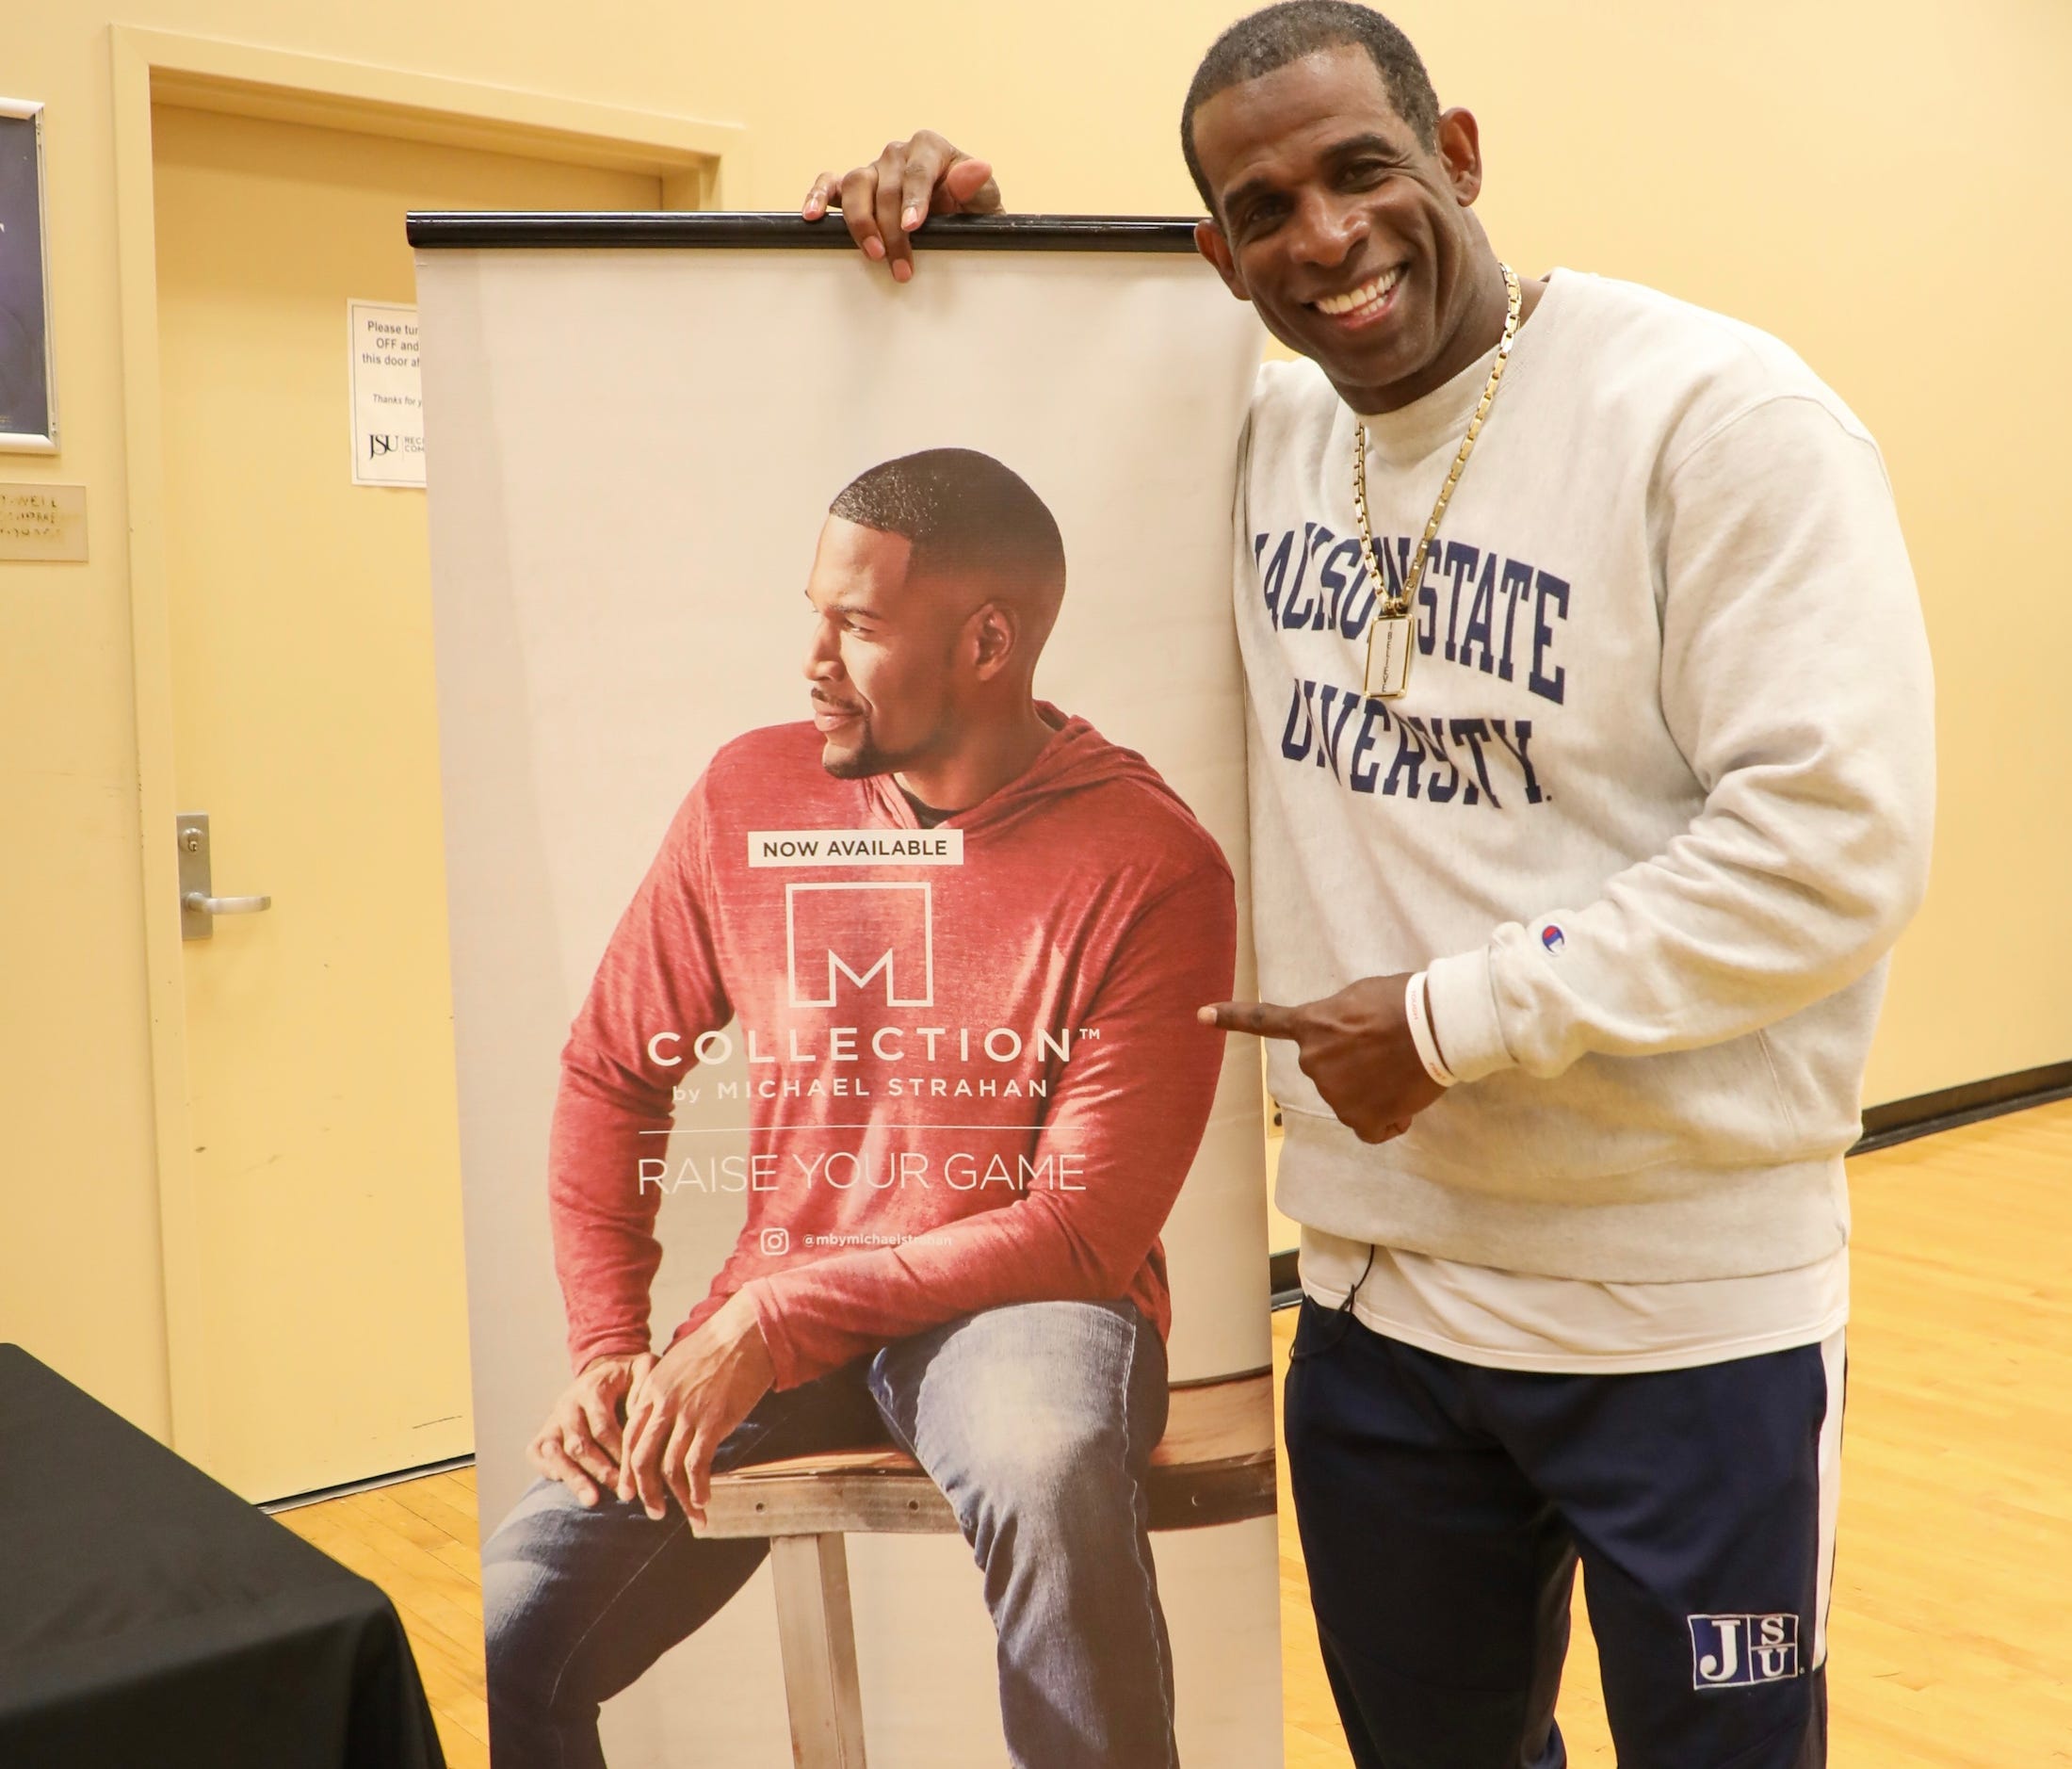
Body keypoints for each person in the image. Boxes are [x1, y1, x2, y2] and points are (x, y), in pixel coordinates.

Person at [810, 6, 1935, 1765]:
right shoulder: (1258, 449)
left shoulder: (1715, 419)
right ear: (1218, 255)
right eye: (1263, 210)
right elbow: (1005, 473)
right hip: (1380, 1308)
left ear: (1459, 156)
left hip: (1690, 1320)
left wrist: (1453, 1019)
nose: (1325, 238)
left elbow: (1834, 841)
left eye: (1362, 171)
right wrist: (966, 262)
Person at [479, 446, 1237, 1769]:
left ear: (988, 640)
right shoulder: (746, 795)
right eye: (812, 613)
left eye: (859, 625)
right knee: (513, 1618)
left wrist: (771, 1319)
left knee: (1047, 1469)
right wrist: (611, 1338)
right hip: (789, 1301)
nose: (812, 659)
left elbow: (1078, 1232)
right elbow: (614, 1067)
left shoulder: (1152, 863)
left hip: (1022, 1306)